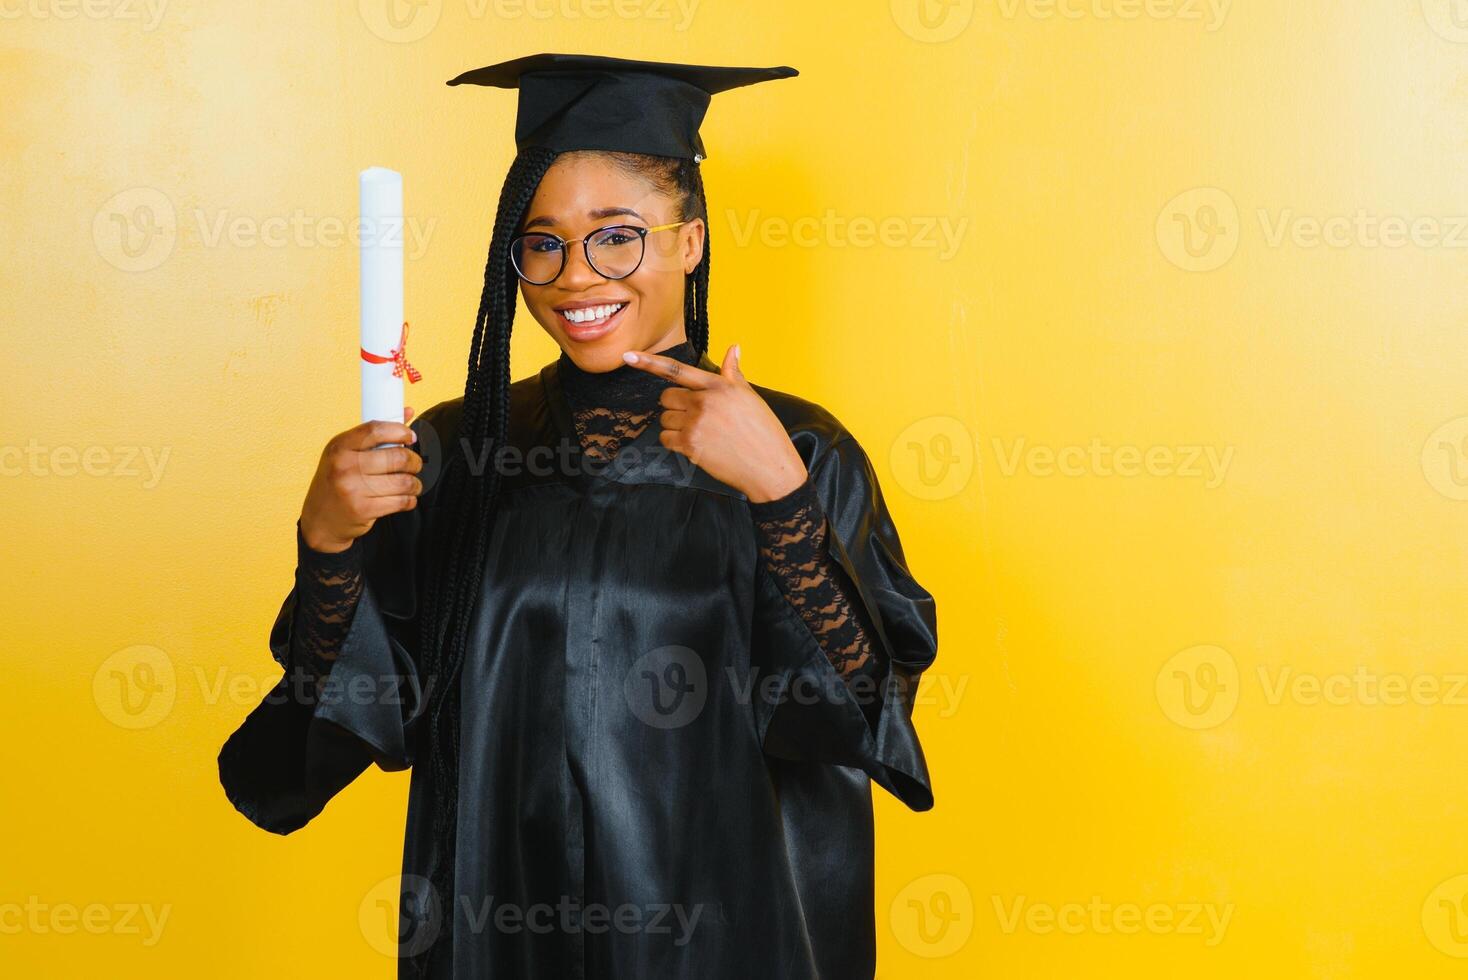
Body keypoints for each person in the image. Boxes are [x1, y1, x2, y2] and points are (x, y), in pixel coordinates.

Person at [218, 54, 938, 979]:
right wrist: (327, 542)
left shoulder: (801, 450)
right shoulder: (456, 454)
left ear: (691, 241)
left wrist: (778, 497)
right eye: (543, 242)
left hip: (737, 941)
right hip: (498, 942)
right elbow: (332, 733)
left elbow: (863, 718)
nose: (575, 276)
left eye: (617, 236)